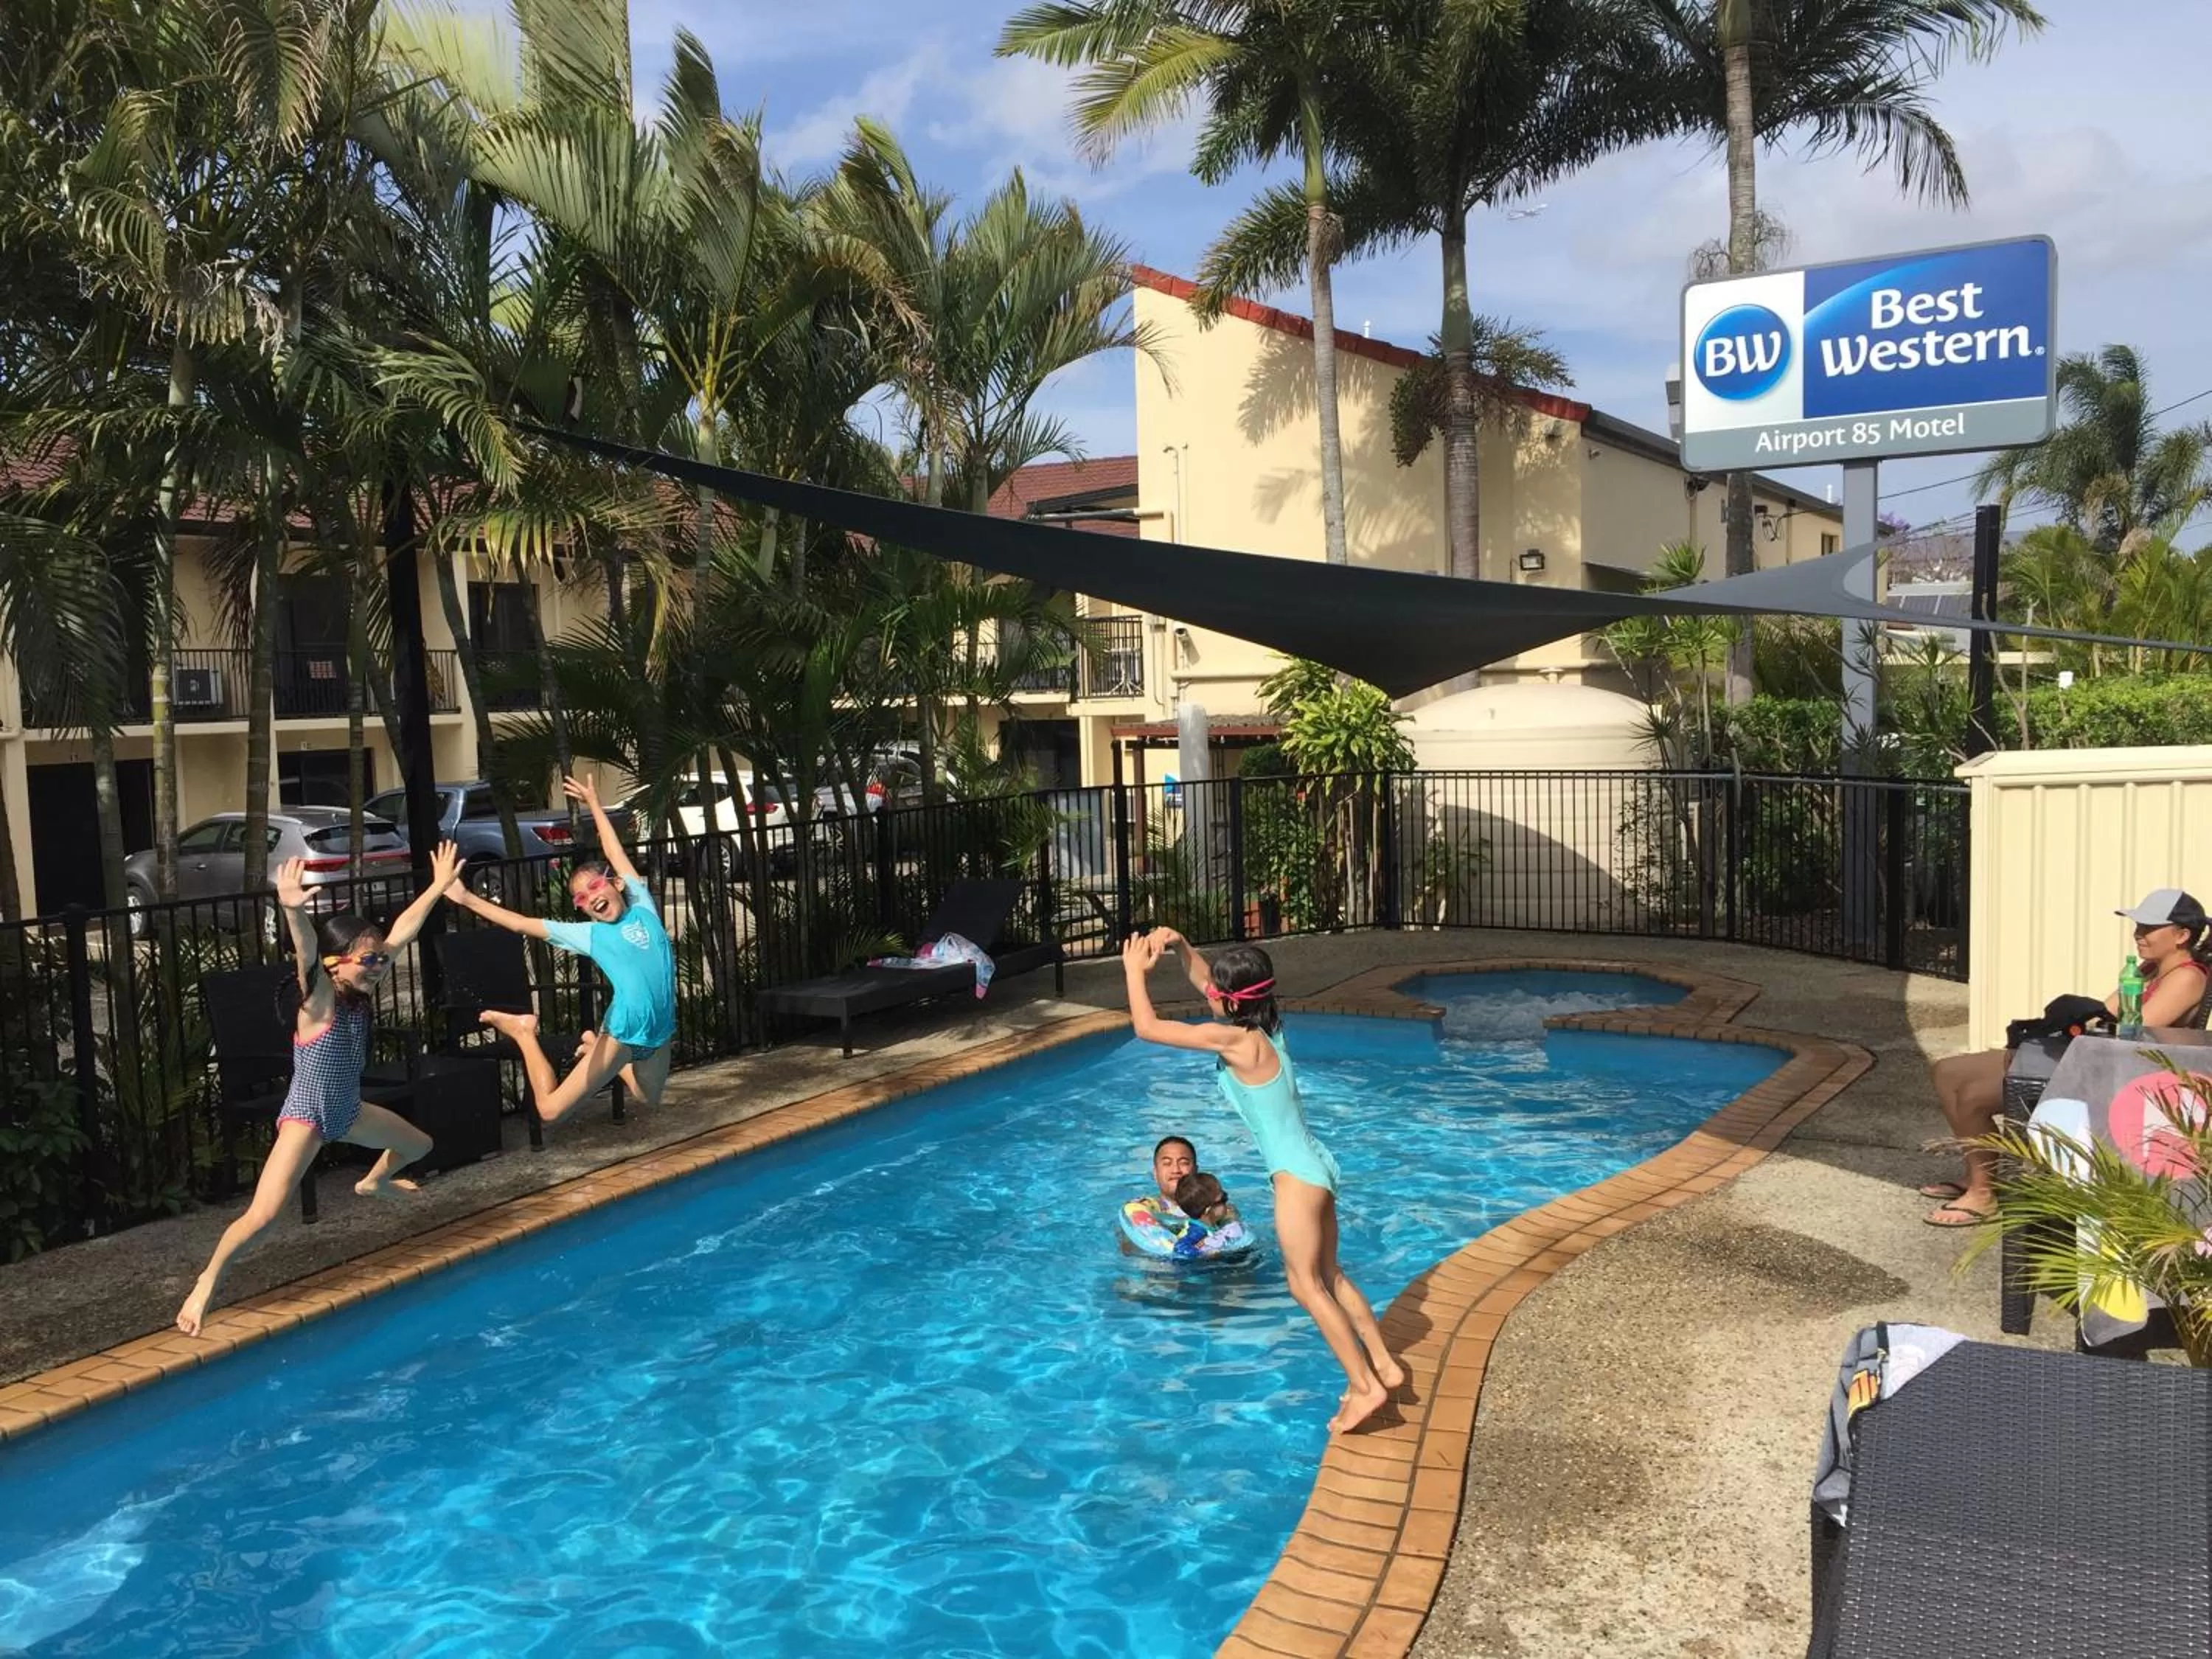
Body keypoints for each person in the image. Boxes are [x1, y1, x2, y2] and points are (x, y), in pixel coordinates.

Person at [1122, 927, 1404, 1433]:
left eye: (1217, 995)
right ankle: (1383, 1363)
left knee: (1305, 1286)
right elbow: (1211, 985)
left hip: (1296, 1179)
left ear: (1232, 1004)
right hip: (1317, 1165)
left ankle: (1365, 1386)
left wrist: (1132, 973)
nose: (1210, 995)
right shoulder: (1268, 1029)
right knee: (1332, 1275)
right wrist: (1184, 946)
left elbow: (1147, 1027)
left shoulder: (1233, 1040)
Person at [175, 844, 464, 1336]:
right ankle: (208, 1281)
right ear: (335, 965)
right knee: (264, 1216)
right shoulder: (319, 1002)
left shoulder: (360, 985)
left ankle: (373, 1182)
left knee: (420, 1145)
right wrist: (292, 909)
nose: (378, 966)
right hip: (307, 1116)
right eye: (367, 960)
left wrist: (437, 888)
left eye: (378, 960)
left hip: (349, 1111)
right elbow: (307, 953)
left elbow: (403, 931)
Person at [1924, 888, 2211, 1226]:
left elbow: (2133, 1032)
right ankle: (1979, 1173)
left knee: (1971, 1099)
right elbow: (2108, 1013)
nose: (2138, 934)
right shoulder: (2149, 969)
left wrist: (2092, 1018)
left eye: (2149, 927)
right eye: (2138, 926)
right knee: (1946, 1071)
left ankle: (1984, 1194)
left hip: (2113, 1075)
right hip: (2093, 1056)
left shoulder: (2188, 977)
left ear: (2181, 935)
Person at [445, 776, 676, 1127]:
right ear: (582, 909)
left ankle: (589, 1045)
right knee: (551, 1111)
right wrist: (466, 898)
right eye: (581, 898)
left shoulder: (643, 906)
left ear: (615, 884)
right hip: (623, 1034)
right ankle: (524, 1032)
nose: (591, 897)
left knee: (650, 1099)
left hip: (659, 1031)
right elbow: (523, 924)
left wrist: (595, 804)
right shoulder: (591, 934)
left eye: (595, 885)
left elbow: (614, 852)